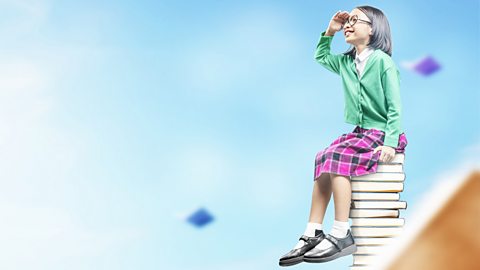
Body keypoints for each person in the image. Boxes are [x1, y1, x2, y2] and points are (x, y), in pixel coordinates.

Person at [279, 5, 408, 267]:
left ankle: (341, 232)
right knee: (323, 156)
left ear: (373, 29)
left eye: (355, 20)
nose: (348, 25)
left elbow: (395, 107)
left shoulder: (383, 62)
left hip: (382, 132)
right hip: (360, 132)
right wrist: (329, 32)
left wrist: (390, 143)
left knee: (338, 158)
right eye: (346, 21)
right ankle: (313, 231)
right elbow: (321, 57)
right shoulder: (347, 63)